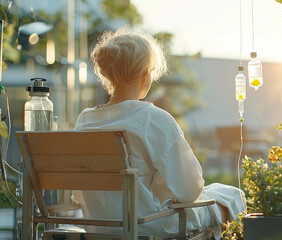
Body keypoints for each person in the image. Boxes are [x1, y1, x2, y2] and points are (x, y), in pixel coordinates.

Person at [73, 26, 246, 239]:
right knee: (232, 195)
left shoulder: (85, 120)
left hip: (100, 227)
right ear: (145, 75)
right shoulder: (152, 118)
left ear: (107, 74)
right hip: (149, 226)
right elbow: (190, 190)